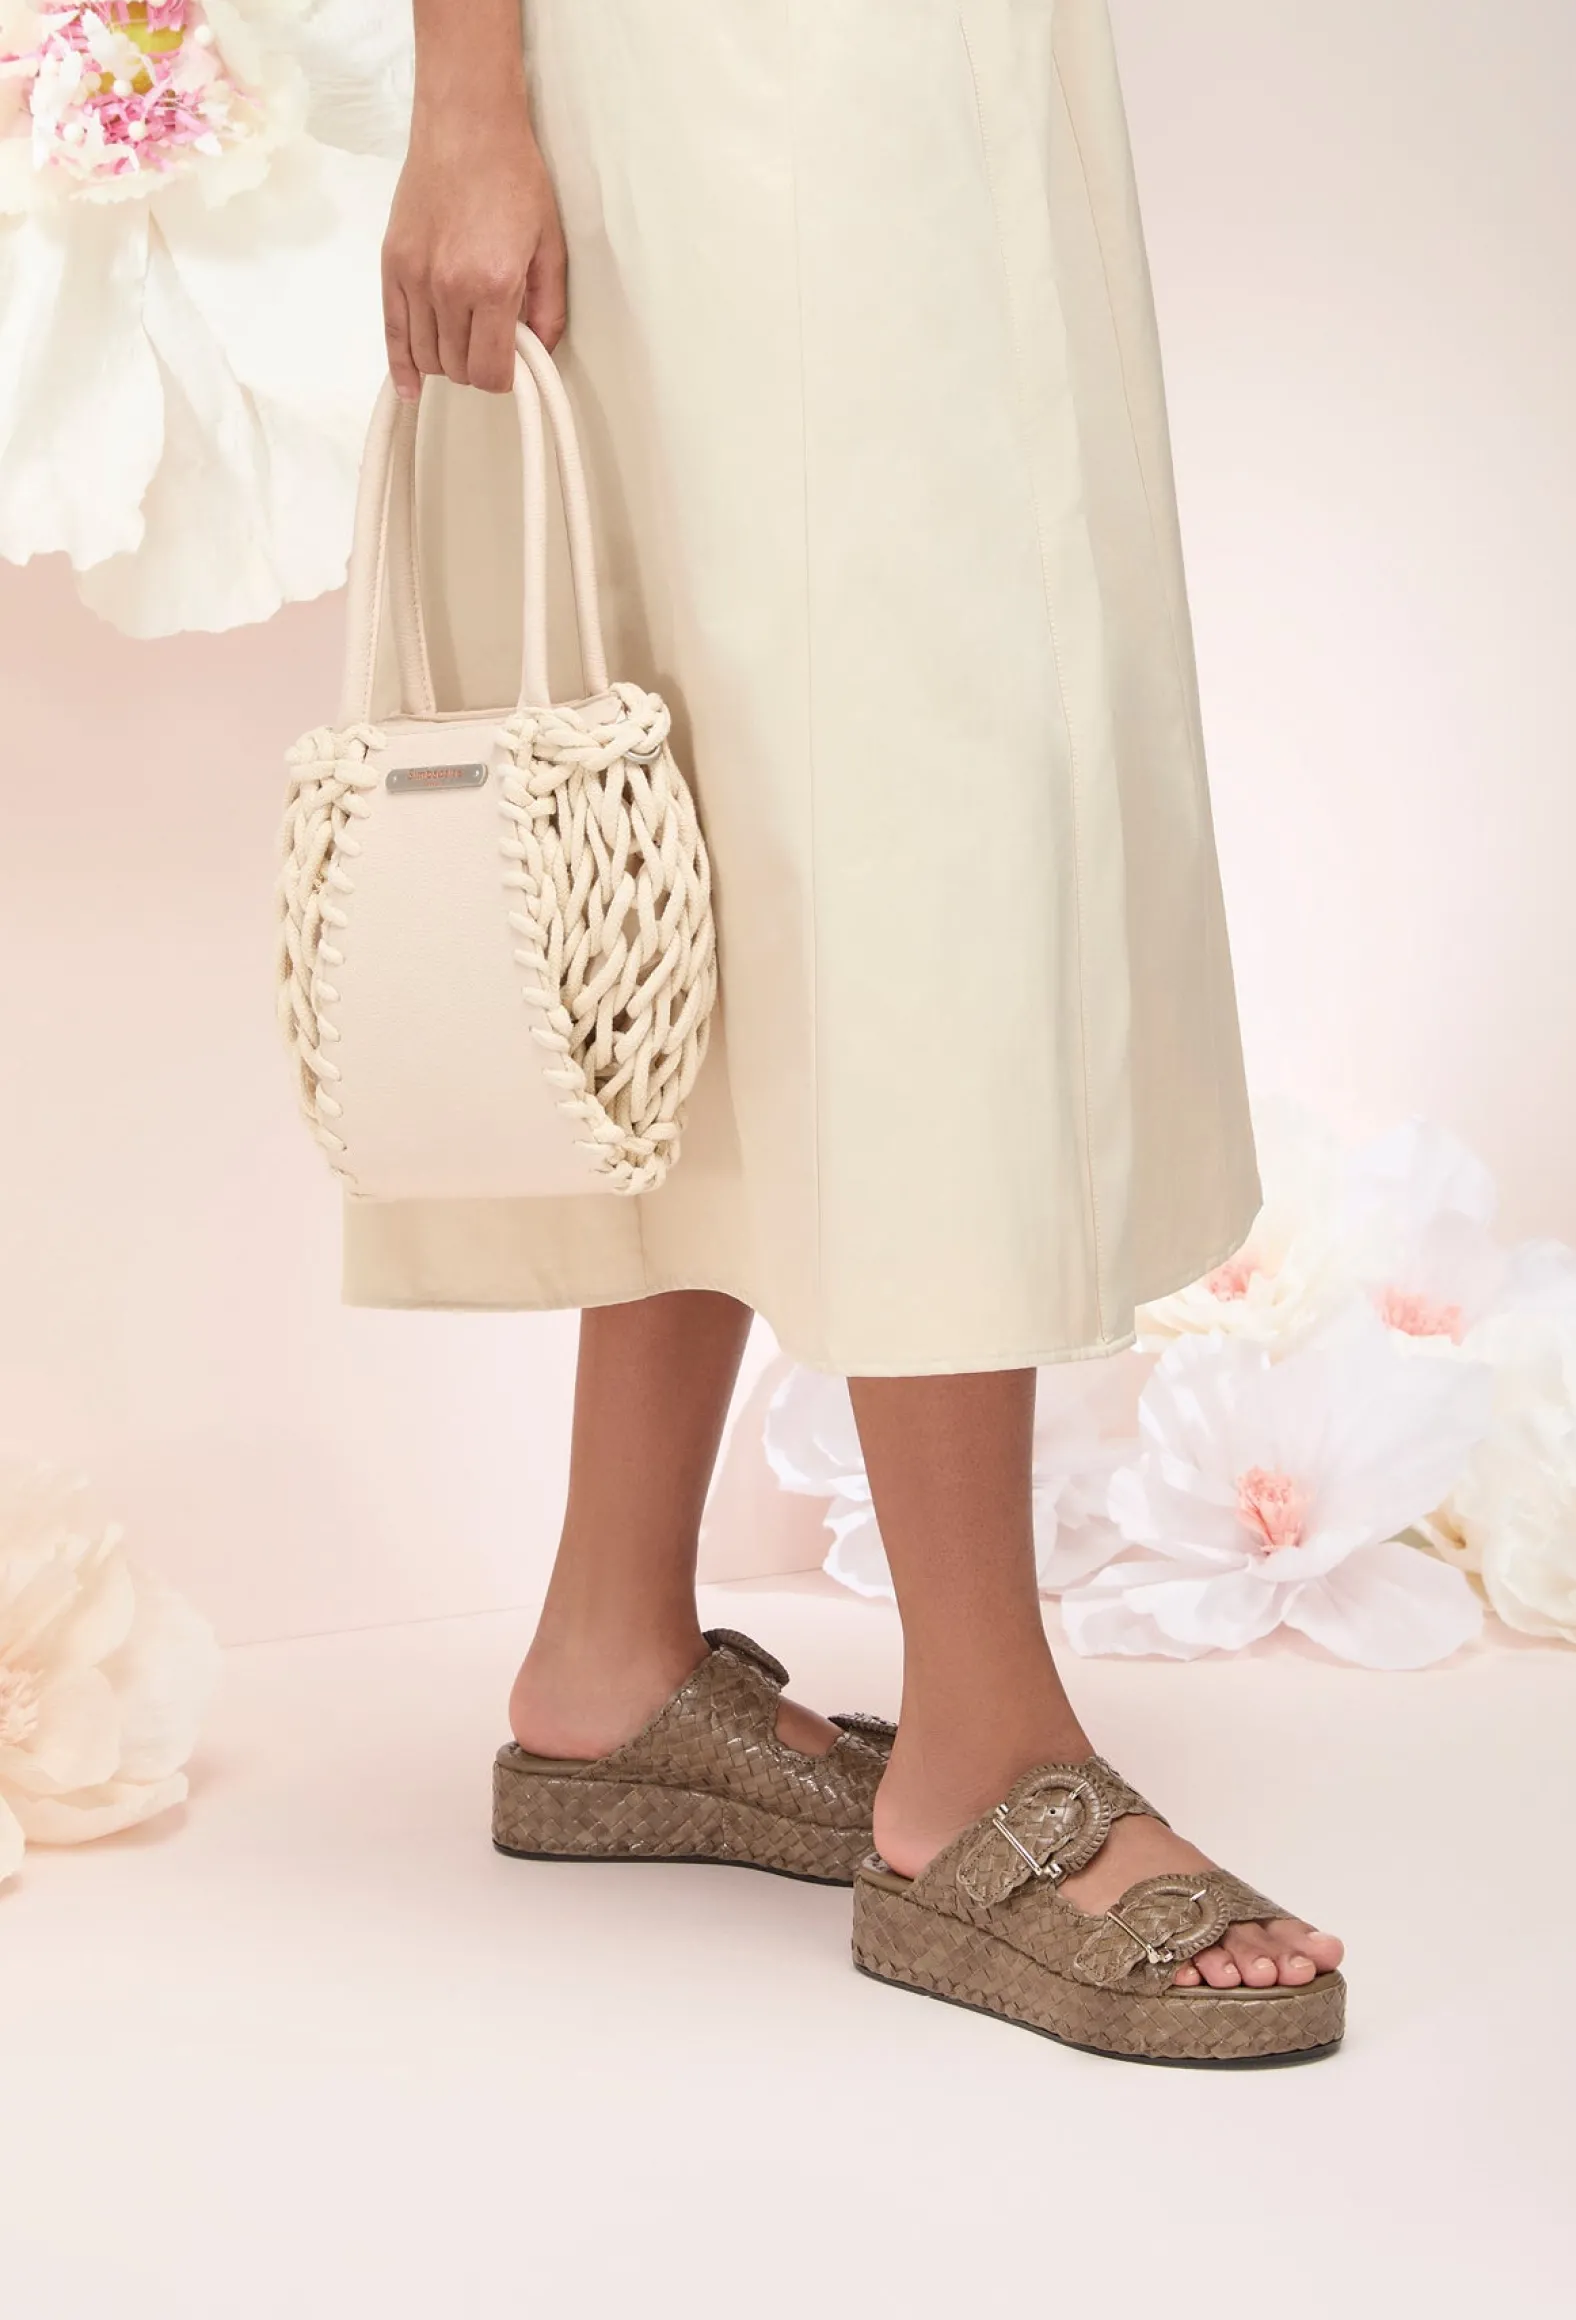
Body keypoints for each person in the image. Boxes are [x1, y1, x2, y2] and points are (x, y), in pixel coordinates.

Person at [368, 0, 1345, 2064]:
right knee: (916, 830)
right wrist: (464, 93)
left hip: (926, 71)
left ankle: (610, 1641)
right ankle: (986, 1740)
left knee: (755, 806)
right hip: (761, 82)